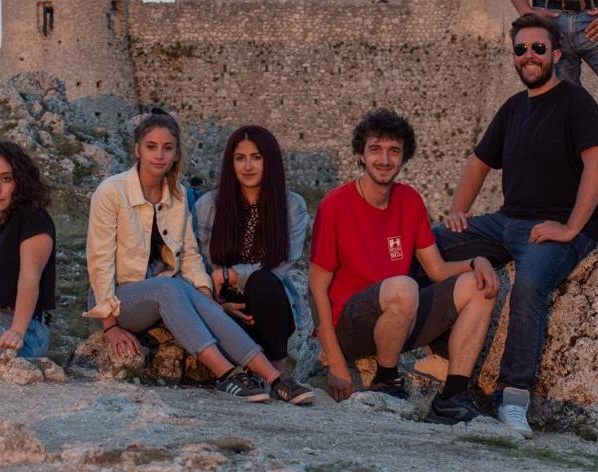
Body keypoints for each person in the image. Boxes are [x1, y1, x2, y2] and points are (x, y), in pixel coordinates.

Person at [437, 12, 598, 436]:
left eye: (538, 49)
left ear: (556, 54)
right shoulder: (513, 108)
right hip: (507, 222)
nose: (529, 56)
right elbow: (478, 161)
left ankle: (513, 398)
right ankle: (438, 351)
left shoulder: (575, 102)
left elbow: (595, 165)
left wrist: (570, 228)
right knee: (432, 243)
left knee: (528, 285)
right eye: (521, 49)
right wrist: (458, 209)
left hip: (558, 227)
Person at [85, 108, 312, 404]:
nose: (159, 156)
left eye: (167, 148)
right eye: (151, 147)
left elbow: (190, 255)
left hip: (163, 292)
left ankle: (275, 378)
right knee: (171, 286)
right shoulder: (111, 191)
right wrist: (110, 326)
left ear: (176, 153)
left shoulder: (177, 194)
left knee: (184, 287)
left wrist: (208, 296)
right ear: (137, 149)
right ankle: (228, 374)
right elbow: (99, 261)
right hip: (118, 300)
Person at [309, 108, 499, 425]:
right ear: (361, 153)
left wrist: (476, 262)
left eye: (393, 151)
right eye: (376, 149)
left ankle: (452, 397)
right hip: (352, 326)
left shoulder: (409, 200)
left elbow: (437, 269)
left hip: (401, 314)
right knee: (405, 286)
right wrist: (336, 364)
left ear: (404, 157)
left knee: (480, 286)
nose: (384, 159)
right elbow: (315, 288)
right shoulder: (335, 205)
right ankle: (385, 379)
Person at [195, 125, 311, 394]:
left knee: (263, 281)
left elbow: (283, 263)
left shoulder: (291, 205)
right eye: (240, 158)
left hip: (268, 303)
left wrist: (229, 275)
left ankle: (278, 373)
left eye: (256, 157)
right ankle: (241, 375)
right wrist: (218, 302)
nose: (248, 166)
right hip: (220, 303)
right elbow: (198, 263)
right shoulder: (208, 206)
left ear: (270, 161)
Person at [0, 140, 55, 362]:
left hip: (22, 329)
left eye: (5, 179)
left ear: (19, 182)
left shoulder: (33, 218)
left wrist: (17, 329)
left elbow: (29, 278)